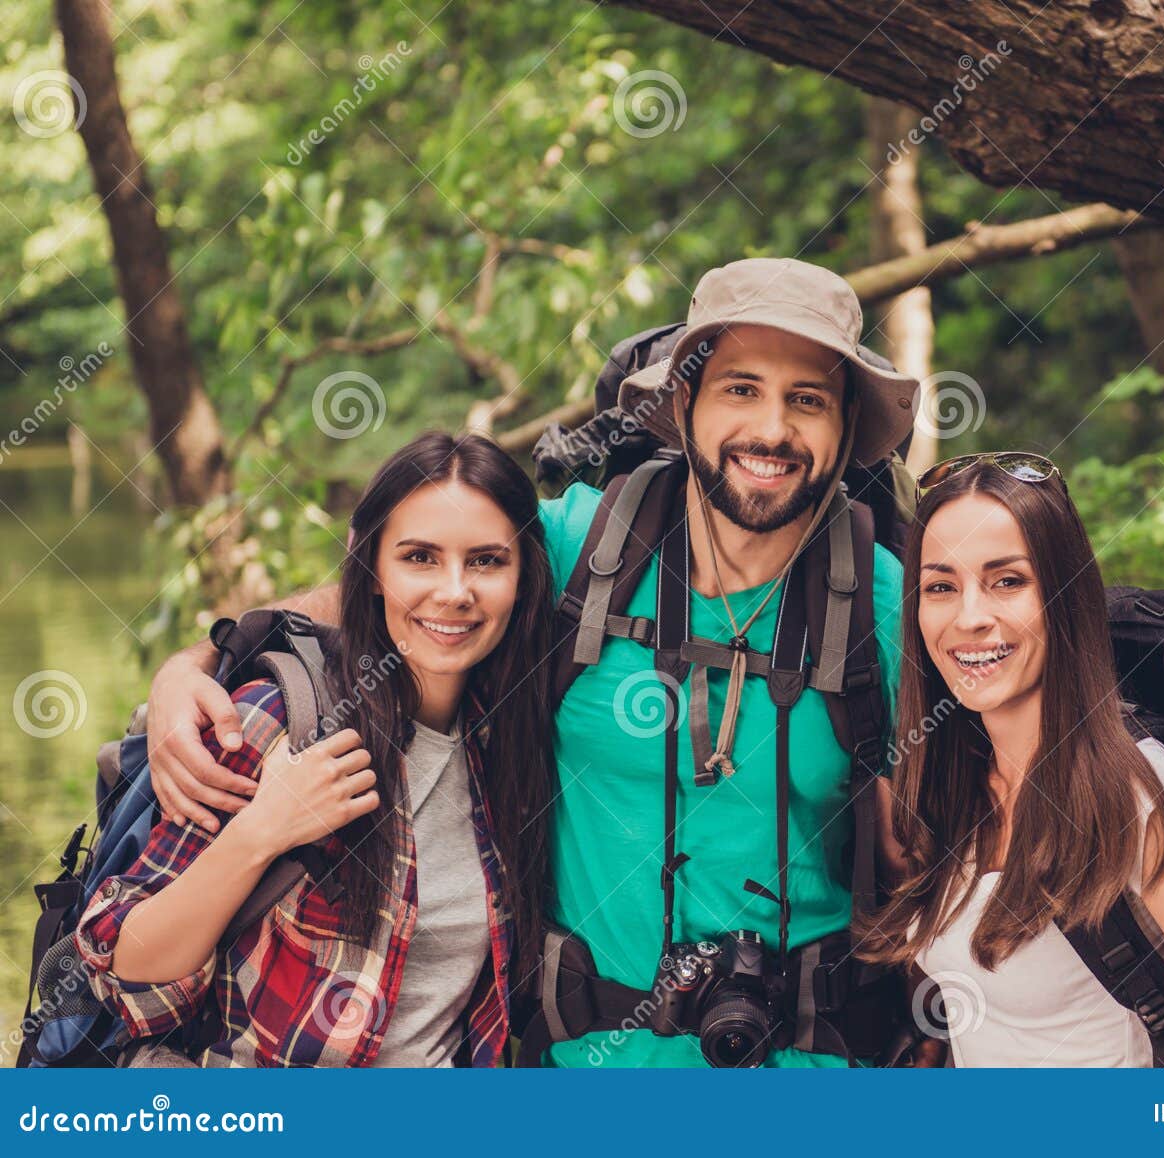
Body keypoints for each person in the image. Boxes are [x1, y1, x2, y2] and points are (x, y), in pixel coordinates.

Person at [132, 258, 920, 1067]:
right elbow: (403, 589)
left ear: (844, 425)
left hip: (813, 1070)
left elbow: (981, 808)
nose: (774, 430)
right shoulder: (589, 545)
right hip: (581, 1071)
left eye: (809, 400)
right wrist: (197, 663)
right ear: (685, 403)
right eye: (741, 389)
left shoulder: (888, 604)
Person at [77, 432, 555, 1066]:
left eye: (488, 561)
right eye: (419, 557)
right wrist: (263, 831)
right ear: (372, 566)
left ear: (524, 575)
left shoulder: (508, 744)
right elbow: (123, 971)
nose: (455, 590)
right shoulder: (277, 721)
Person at [856, 453, 1164, 1067]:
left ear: (1064, 597)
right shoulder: (943, 783)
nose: (971, 617)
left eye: (1007, 581)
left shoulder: (1140, 794)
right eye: (941, 586)